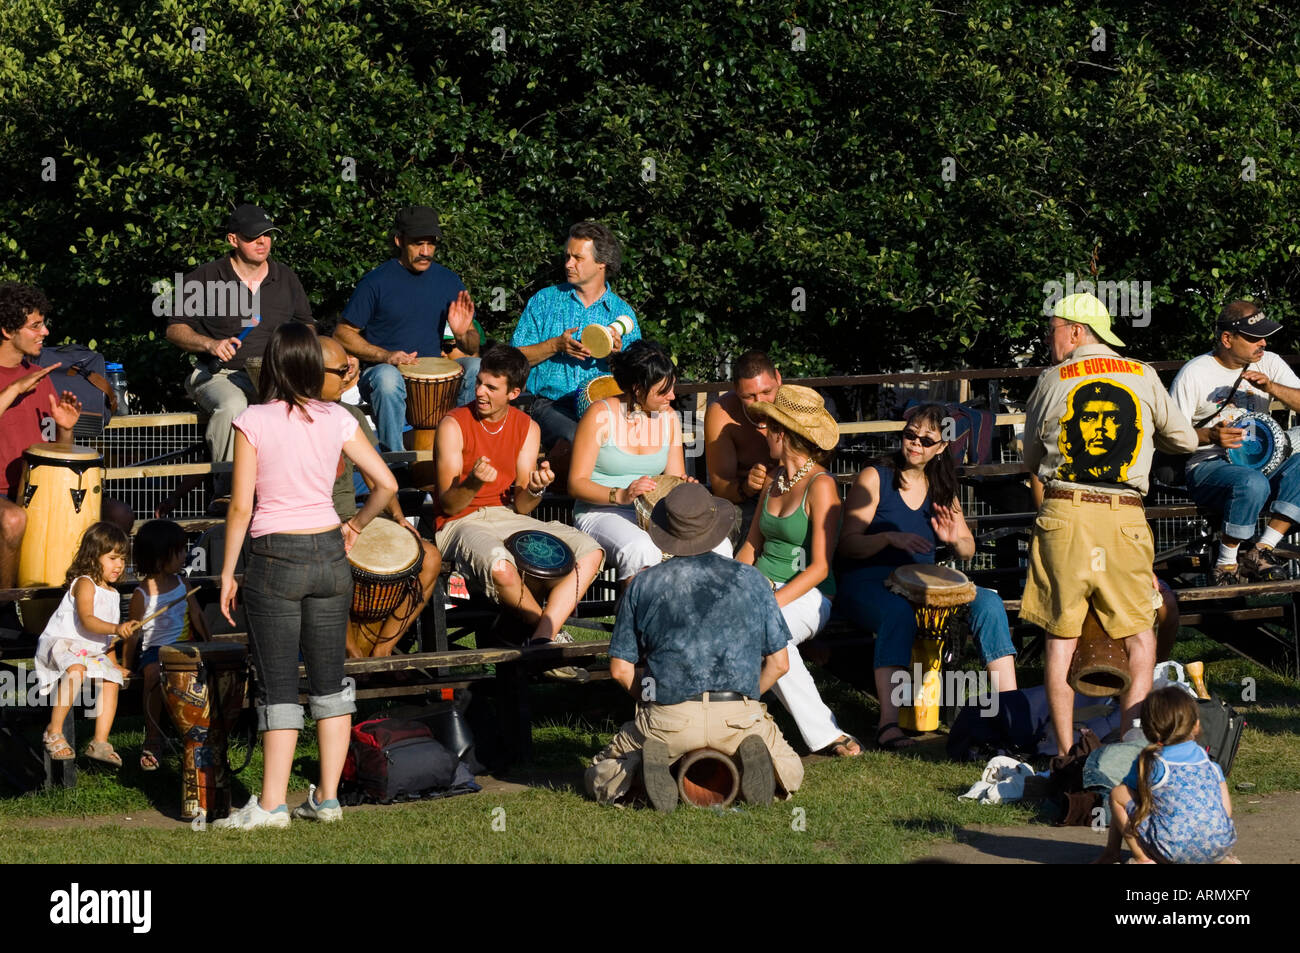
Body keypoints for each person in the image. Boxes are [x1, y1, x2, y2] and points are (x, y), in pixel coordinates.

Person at [217, 323, 398, 829]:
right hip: (329, 554)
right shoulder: (338, 417)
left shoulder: (253, 419)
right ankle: (328, 797)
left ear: (274, 365)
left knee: (277, 684)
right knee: (329, 683)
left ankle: (273, 804)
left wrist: (228, 572)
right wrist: (356, 526)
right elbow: (385, 482)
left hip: (275, 557)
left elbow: (239, 507)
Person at [1022, 292, 1197, 757]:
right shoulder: (1143, 373)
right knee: (1141, 634)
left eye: (1053, 329)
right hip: (1123, 516)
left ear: (1076, 332)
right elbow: (1185, 439)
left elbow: (1030, 459)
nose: (1048, 338)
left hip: (1065, 514)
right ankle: (1135, 750)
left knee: (1062, 635)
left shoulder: (1051, 377)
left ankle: (1064, 756)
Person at [586, 483, 804, 810]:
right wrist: (747, 698)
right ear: (714, 527)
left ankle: (643, 774)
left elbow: (620, 669)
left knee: (598, 773)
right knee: (792, 768)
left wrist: (648, 700)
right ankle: (762, 772)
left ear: (665, 531)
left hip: (669, 717)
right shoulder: (752, 580)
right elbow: (780, 664)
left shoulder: (644, 583)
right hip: (738, 717)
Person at [837, 403, 1019, 750]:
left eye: (926, 439)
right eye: (910, 435)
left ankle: (1011, 712)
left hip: (924, 586)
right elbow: (847, 546)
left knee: (989, 603)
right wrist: (888, 538)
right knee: (897, 613)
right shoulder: (874, 477)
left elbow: (967, 547)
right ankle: (888, 723)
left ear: (940, 449)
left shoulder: (941, 485)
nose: (916, 443)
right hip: (869, 583)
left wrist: (955, 539)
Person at [433, 344, 604, 674]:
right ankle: (548, 638)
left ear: (514, 392)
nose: (480, 392)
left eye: (491, 387)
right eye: (479, 382)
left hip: (508, 517)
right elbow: (448, 504)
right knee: (501, 567)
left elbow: (523, 506)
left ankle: (540, 640)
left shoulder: (528, 427)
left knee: (590, 550)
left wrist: (537, 488)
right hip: (459, 522)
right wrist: (472, 483)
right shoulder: (453, 424)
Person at [735, 385, 860, 758]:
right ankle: (725, 718)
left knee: (771, 634)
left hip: (809, 594)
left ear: (782, 434)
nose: (763, 434)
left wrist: (770, 602)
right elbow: (750, 546)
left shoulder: (822, 486)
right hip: (762, 585)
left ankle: (824, 733)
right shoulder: (773, 479)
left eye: (768, 427)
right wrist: (729, 586)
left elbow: (821, 567)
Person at [164, 204, 314, 495]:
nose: (263, 242)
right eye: (254, 236)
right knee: (234, 407)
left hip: (276, 376)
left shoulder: (286, 278)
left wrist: (298, 356)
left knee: (307, 408)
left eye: (268, 235)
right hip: (218, 375)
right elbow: (175, 329)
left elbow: (306, 327)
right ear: (233, 239)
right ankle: (229, 493)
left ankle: (295, 493)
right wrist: (210, 344)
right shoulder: (205, 277)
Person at [320, 335, 441, 658]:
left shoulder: (351, 416)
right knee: (334, 560)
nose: (347, 375)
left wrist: (400, 519)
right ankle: (351, 653)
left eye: (348, 368)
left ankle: (383, 652)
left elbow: (379, 480)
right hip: (318, 527)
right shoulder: (282, 417)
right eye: (339, 369)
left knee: (429, 557)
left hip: (357, 519)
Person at [569, 340, 727, 582]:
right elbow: (576, 483)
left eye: (672, 388)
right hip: (600, 511)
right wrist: (620, 495)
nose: (672, 397)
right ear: (637, 388)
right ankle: (637, 618)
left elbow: (672, 478)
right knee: (641, 548)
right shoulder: (600, 415)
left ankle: (701, 617)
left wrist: (683, 487)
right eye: (663, 392)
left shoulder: (669, 418)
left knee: (720, 546)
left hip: (651, 514)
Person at [1170, 300, 1300, 584]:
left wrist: (1272, 387)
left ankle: (1262, 550)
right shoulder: (1194, 373)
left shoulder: (1270, 362)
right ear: (1227, 339)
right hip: (1208, 463)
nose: (1263, 343)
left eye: (1264, 336)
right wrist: (1211, 436)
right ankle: (1226, 564)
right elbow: (1170, 437)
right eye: (1254, 338)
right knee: (1251, 483)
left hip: (1264, 461)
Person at [336, 205, 480, 453]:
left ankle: (461, 450)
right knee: (388, 378)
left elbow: (472, 347)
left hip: (434, 378)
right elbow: (342, 334)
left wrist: (461, 333)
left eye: (431, 243)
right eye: (417, 243)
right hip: (383, 373)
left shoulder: (449, 281)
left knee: (475, 367)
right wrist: (386, 356)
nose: (426, 251)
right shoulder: (375, 282)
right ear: (399, 241)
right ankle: (396, 462)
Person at [510, 222, 641, 476]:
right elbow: (513, 359)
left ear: (602, 263)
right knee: (579, 437)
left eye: (578, 258)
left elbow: (640, 375)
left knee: (629, 439)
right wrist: (555, 345)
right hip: (551, 405)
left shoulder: (623, 313)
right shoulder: (544, 301)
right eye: (567, 256)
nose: (568, 263)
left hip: (607, 407)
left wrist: (619, 355)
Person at [33, 523, 140, 767]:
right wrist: (116, 628)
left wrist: (114, 664)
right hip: (65, 644)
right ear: (93, 556)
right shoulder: (85, 583)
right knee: (77, 669)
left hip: (90, 651)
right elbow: (88, 620)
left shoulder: (112, 593)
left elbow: (106, 640)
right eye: (112, 558)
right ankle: (54, 730)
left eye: (123, 559)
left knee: (112, 680)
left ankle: (99, 742)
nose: (119, 565)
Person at [1094, 687, 1238, 864]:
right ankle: (1214, 855)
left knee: (1117, 794)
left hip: (1171, 850)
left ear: (1147, 729)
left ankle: (1140, 858)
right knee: (1219, 779)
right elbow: (1226, 810)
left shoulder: (1151, 762)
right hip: (1219, 846)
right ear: (1197, 725)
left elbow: (1129, 794)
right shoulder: (1208, 762)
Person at [0, 283, 83, 589]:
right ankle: (6, 612)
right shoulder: (25, 381)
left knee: (117, 514)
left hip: (36, 490)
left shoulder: (39, 376)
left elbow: (58, 454)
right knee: (13, 520)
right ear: (8, 331)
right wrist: (14, 390)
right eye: (35, 326)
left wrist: (66, 427)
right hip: (3, 497)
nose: (45, 332)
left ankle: (76, 608)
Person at [125, 519, 211, 771]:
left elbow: (196, 615)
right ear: (161, 556)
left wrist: (211, 644)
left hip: (185, 646)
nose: (185, 554)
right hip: (156, 651)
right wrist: (126, 665)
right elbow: (132, 634)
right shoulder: (142, 594)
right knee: (152, 674)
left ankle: (201, 738)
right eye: (180, 550)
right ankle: (153, 738)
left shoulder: (183, 583)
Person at [704, 350, 781, 541]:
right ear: (736, 390)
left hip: (793, 497)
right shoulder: (721, 413)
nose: (760, 402)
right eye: (749, 396)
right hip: (744, 502)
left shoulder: (794, 405)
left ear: (778, 379)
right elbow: (721, 486)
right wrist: (748, 487)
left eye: (766, 392)